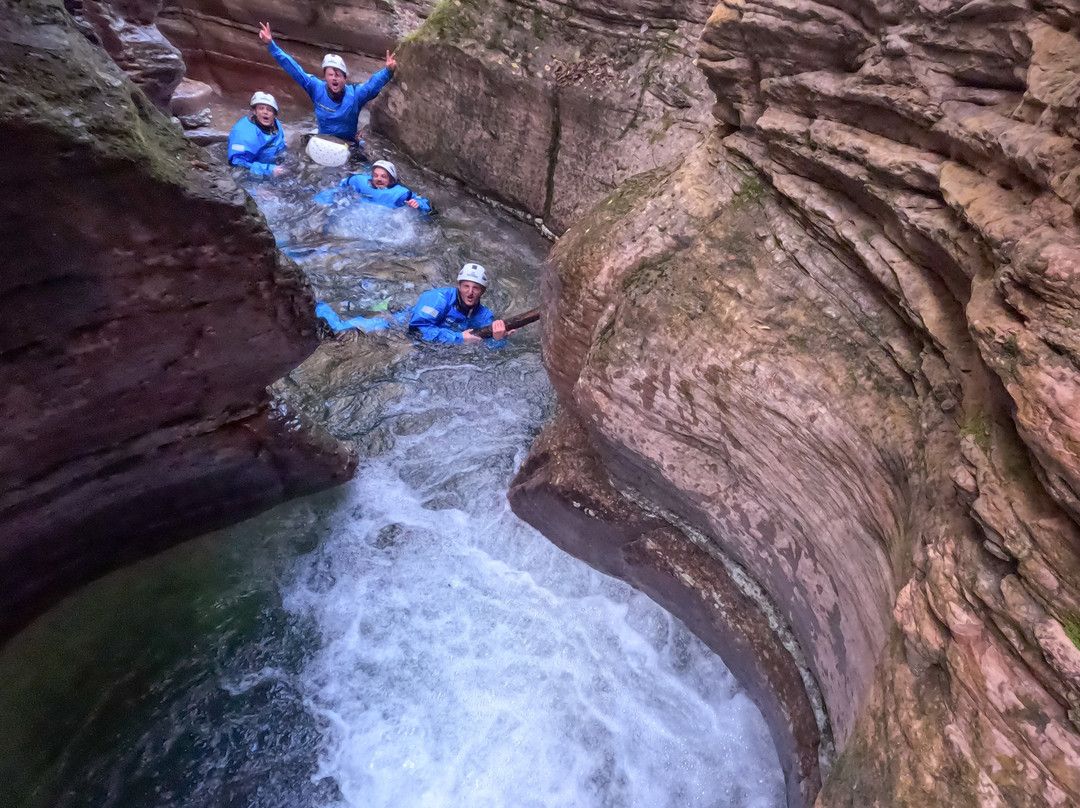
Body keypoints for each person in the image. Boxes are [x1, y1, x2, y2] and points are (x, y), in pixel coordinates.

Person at [258, 22, 395, 150]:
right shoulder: (316, 87)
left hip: (347, 144)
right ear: (325, 77)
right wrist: (271, 45)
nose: (334, 78)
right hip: (322, 141)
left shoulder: (355, 94)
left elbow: (372, 86)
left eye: (338, 75)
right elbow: (294, 69)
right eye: (330, 74)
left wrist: (387, 71)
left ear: (344, 78)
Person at [401, 263, 511, 345]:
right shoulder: (438, 299)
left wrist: (498, 339)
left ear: (482, 291)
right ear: (459, 286)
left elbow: (492, 350)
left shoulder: (484, 316)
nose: (470, 292)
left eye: (475, 288)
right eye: (466, 286)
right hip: (399, 329)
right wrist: (459, 338)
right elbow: (418, 330)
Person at [227, 91, 286, 176]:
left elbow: (280, 147)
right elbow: (237, 164)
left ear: (274, 114)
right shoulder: (244, 132)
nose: (265, 112)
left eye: (269, 110)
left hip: (269, 163)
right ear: (254, 111)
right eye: (261, 108)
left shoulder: (276, 126)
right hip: (249, 172)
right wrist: (269, 169)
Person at [339, 160, 431, 211]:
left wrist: (418, 205)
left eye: (383, 176)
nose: (378, 179)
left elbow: (425, 205)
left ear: (391, 179)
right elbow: (340, 189)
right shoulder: (359, 181)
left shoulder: (401, 194)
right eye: (376, 175)